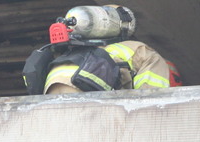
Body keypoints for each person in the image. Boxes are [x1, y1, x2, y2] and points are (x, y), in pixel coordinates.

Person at [22, 5, 180, 95]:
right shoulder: (139, 50)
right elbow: (153, 100)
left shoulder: (65, 53)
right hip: (93, 114)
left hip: (51, 115)